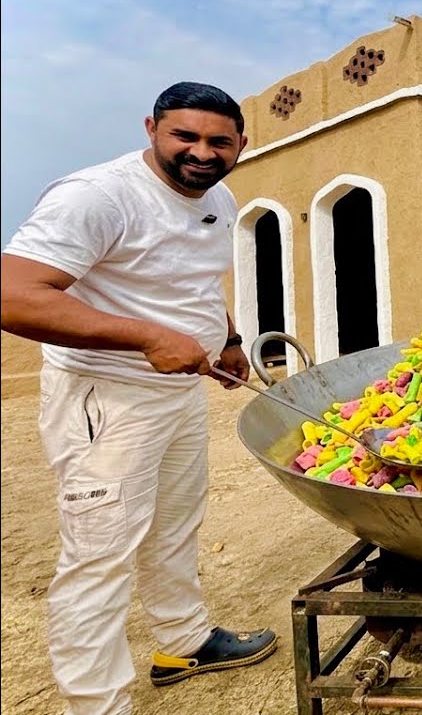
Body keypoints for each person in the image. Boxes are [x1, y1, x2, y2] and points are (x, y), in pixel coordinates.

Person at [1, 82, 277, 715]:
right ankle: (96, 704)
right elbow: (14, 295)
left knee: (176, 522)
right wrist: (148, 336)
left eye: (219, 141)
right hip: (107, 395)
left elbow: (194, 280)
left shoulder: (219, 194)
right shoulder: (97, 197)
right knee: (99, 554)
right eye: (185, 136)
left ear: (241, 145)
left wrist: (229, 339)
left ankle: (184, 641)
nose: (201, 153)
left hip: (177, 392)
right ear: (152, 128)